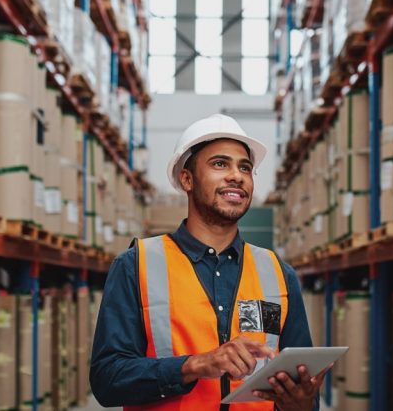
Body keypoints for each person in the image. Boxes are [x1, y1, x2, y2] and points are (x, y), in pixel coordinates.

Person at [90, 114, 326, 410]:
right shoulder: (136, 266)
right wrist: (193, 366)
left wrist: (302, 402)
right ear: (186, 179)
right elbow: (106, 379)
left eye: (245, 167)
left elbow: (302, 389)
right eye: (220, 164)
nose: (237, 176)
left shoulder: (278, 274)